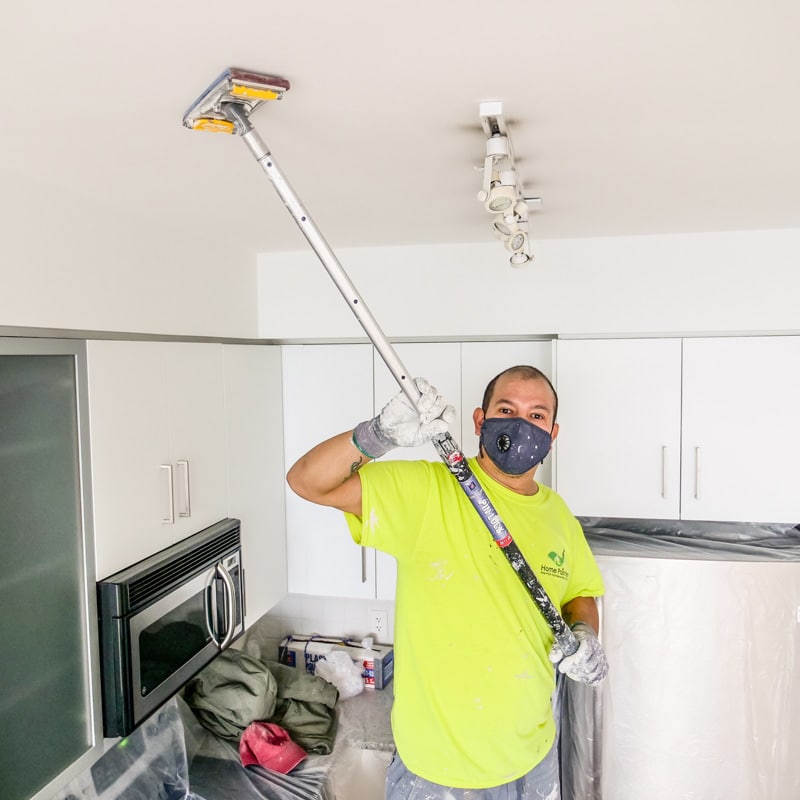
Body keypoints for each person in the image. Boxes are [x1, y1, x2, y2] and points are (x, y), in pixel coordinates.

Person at [287, 364, 608, 799]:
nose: (520, 423)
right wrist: (378, 434)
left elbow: (580, 593)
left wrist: (586, 634)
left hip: (533, 761)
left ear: (552, 434)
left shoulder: (558, 517)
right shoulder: (426, 491)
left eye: (536, 416)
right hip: (437, 773)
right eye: (507, 408)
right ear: (481, 421)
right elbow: (307, 481)